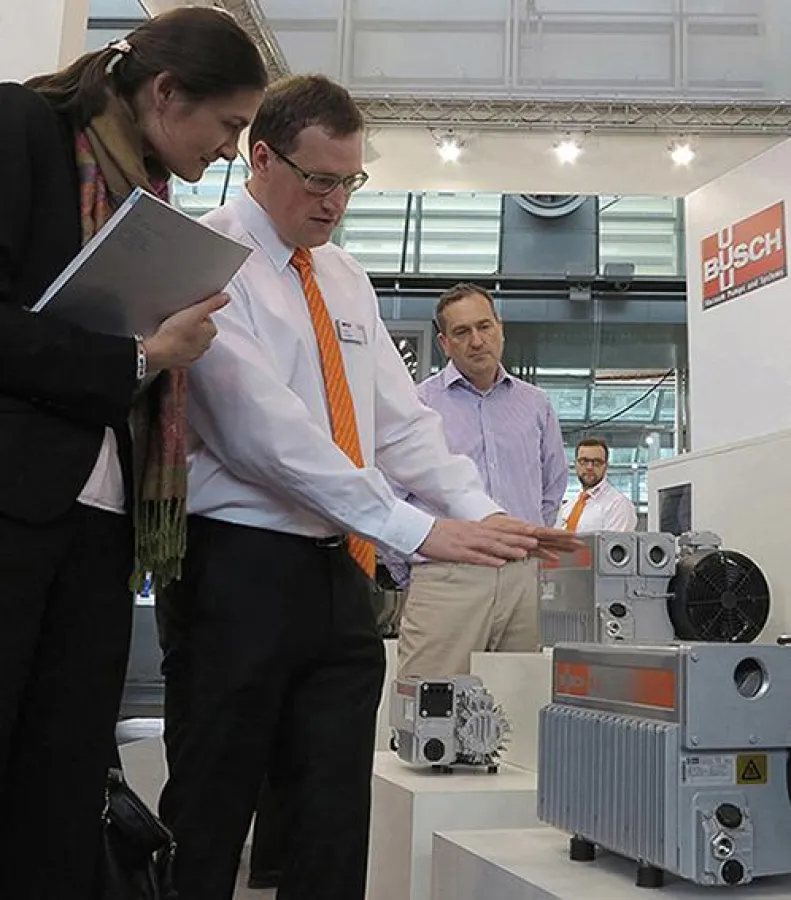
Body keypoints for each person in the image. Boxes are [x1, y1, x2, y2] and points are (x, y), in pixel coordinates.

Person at [155, 74, 579, 900]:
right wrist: (412, 530)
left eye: (350, 182)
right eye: (319, 180)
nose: (334, 202)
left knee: (333, 813)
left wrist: (487, 516)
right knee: (210, 804)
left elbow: (400, 423)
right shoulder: (205, 256)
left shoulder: (344, 277)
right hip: (233, 570)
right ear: (262, 157)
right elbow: (261, 435)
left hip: (336, 572)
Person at [0, 10, 267, 899]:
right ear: (165, 93)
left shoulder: (145, 204)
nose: (230, 151)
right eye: (227, 126)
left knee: (64, 775)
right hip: (15, 505)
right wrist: (142, 357)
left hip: (103, 523)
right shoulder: (24, 133)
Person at [385, 283, 568, 678]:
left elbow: (552, 488)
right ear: (444, 343)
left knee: (517, 710)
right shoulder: (416, 404)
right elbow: (388, 497)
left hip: (522, 581)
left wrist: (526, 551)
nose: (477, 340)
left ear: (500, 328)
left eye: (484, 326)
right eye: (462, 332)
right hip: (445, 577)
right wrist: (415, 574)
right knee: (428, 707)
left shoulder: (535, 404)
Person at [557, 436, 638, 532]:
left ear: (606, 466)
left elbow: (613, 546)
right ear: (576, 464)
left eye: (597, 462)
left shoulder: (619, 505)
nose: (589, 467)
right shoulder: (568, 506)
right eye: (584, 461)